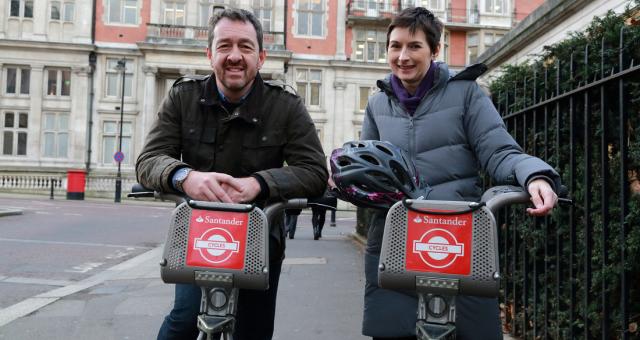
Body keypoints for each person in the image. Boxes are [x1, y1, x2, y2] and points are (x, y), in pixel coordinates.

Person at [357, 7, 560, 340]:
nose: (402, 56)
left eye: (414, 46)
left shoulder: (466, 94)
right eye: (395, 46)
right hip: (392, 242)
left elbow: (499, 150)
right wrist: (345, 178)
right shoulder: (378, 103)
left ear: (435, 50)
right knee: (393, 332)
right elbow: (369, 166)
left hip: (455, 242)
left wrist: (534, 175)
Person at [135, 8, 328, 340]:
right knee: (184, 320)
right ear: (210, 54)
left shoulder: (286, 106)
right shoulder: (183, 97)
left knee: (253, 330)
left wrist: (259, 183)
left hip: (261, 236)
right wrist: (184, 177)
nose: (235, 56)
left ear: (261, 57)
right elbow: (148, 160)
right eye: (224, 46)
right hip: (198, 235)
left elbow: (314, 171)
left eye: (245, 46)